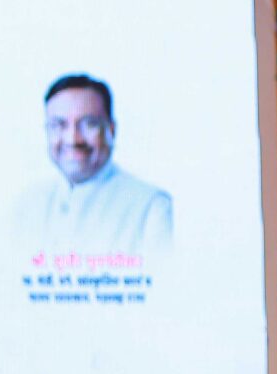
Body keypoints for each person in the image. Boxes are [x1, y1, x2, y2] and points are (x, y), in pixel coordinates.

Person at [20, 74, 173, 258]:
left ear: (112, 130)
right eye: (58, 125)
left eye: (88, 124)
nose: (73, 139)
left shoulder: (150, 207)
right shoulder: (27, 205)